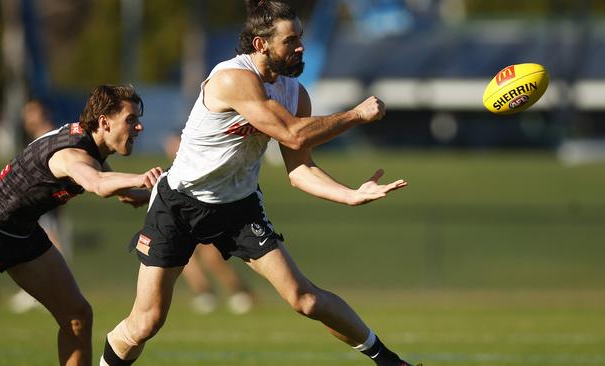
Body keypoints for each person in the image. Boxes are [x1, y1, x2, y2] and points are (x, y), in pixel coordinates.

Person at [100, 1, 418, 366]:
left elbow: (299, 169)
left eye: (301, 37)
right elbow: (291, 134)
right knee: (146, 322)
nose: (300, 46)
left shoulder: (295, 93)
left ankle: (391, 362)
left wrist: (350, 195)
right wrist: (356, 114)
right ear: (261, 45)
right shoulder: (232, 78)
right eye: (291, 40)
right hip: (180, 203)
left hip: (238, 206)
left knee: (305, 298)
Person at [0, 84, 163, 366]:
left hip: (24, 234)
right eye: (131, 120)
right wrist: (141, 178)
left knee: (77, 316)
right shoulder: (72, 154)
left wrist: (167, 190)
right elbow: (98, 184)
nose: (138, 128)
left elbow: (125, 194)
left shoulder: (93, 146)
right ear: (104, 122)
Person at [165, 133, 255, 315]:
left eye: (175, 144)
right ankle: (205, 292)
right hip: (184, 217)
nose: (171, 149)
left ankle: (241, 291)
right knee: (186, 257)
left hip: (208, 211)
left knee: (211, 256)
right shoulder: (174, 169)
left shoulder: (199, 160)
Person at [8, 99, 74, 313]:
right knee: (44, 239)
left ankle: (61, 289)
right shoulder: (38, 138)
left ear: (43, 113)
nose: (28, 119)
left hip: (46, 197)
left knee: (51, 239)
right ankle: (49, 289)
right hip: (39, 198)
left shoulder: (51, 136)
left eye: (31, 113)